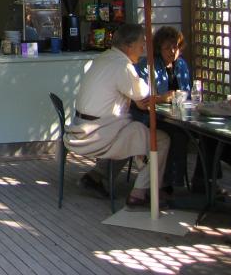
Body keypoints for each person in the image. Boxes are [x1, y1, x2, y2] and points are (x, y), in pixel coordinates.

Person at [66, 23, 170, 208]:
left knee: (131, 132)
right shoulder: (123, 66)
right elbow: (144, 97)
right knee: (160, 140)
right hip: (97, 134)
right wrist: (167, 97)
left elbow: (135, 97)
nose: (144, 47)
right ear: (129, 45)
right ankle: (140, 192)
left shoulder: (105, 57)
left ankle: (96, 176)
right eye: (141, 43)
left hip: (81, 128)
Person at [132, 26, 191, 191]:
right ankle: (171, 183)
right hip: (149, 117)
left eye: (176, 47)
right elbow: (141, 100)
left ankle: (204, 182)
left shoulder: (181, 66)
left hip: (177, 115)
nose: (172, 51)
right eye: (167, 48)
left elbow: (188, 94)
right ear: (159, 49)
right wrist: (162, 98)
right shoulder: (148, 66)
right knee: (177, 134)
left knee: (204, 136)